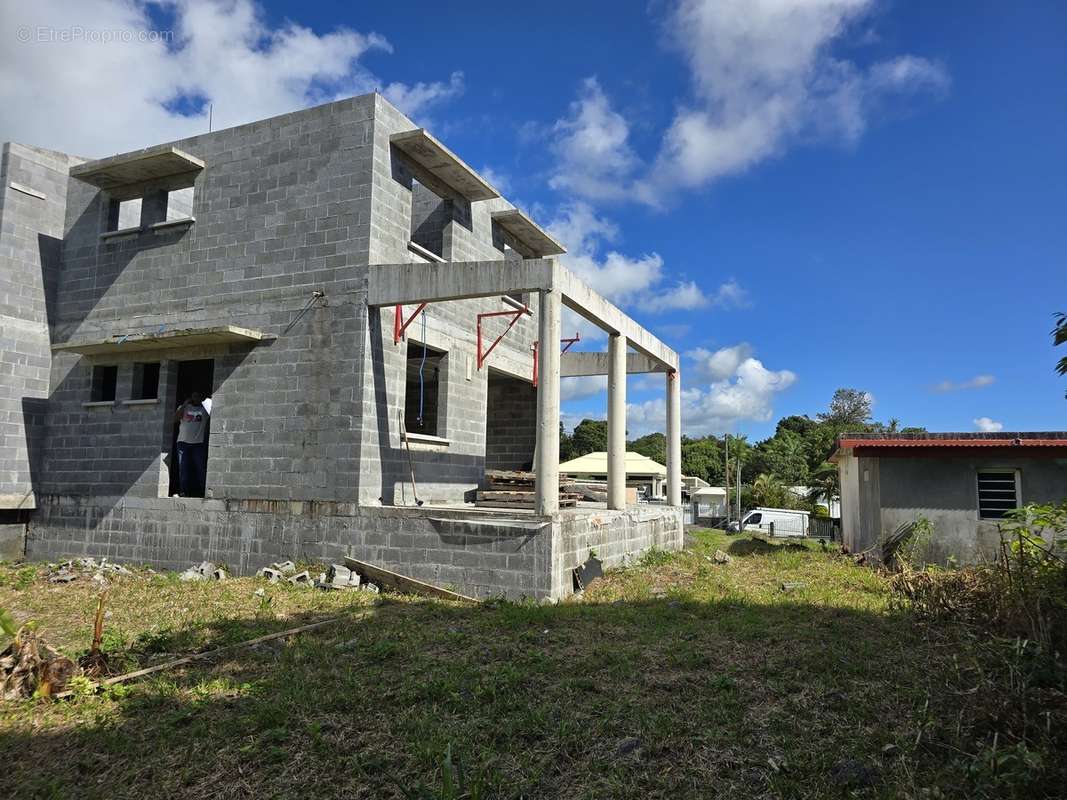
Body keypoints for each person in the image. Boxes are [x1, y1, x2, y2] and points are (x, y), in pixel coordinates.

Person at [174, 391, 212, 497]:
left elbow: (213, 413)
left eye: (198, 396)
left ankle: (202, 491)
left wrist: (206, 402)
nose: (196, 398)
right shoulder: (184, 407)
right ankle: (183, 491)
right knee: (183, 467)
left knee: (200, 468)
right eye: (194, 396)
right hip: (182, 443)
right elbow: (175, 418)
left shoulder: (204, 409)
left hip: (198, 444)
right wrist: (185, 404)